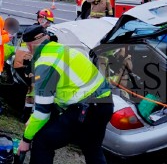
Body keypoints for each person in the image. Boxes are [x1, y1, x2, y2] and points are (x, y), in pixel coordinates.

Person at [17, 25, 114, 164]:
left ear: (30, 46)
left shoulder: (45, 63)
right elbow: (67, 89)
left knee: (42, 142)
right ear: (48, 37)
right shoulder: (65, 49)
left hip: (85, 110)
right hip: (105, 104)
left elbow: (42, 112)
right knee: (92, 148)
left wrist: (26, 139)